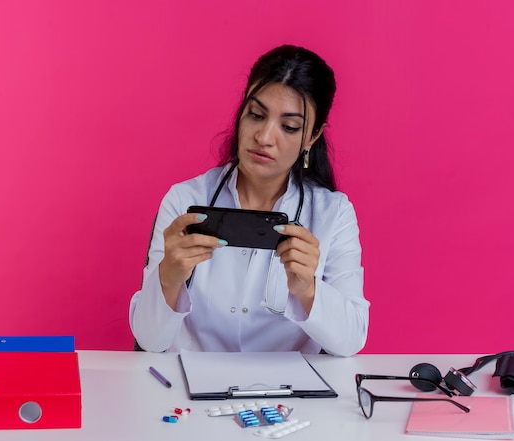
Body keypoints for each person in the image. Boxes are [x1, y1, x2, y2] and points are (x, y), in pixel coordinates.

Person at [129, 45, 369, 356]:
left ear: (311, 137)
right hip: (189, 393)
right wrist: (169, 277)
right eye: (256, 115)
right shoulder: (185, 200)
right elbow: (150, 341)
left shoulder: (333, 214)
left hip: (289, 398)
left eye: (289, 127)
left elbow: (350, 342)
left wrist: (308, 289)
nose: (265, 137)